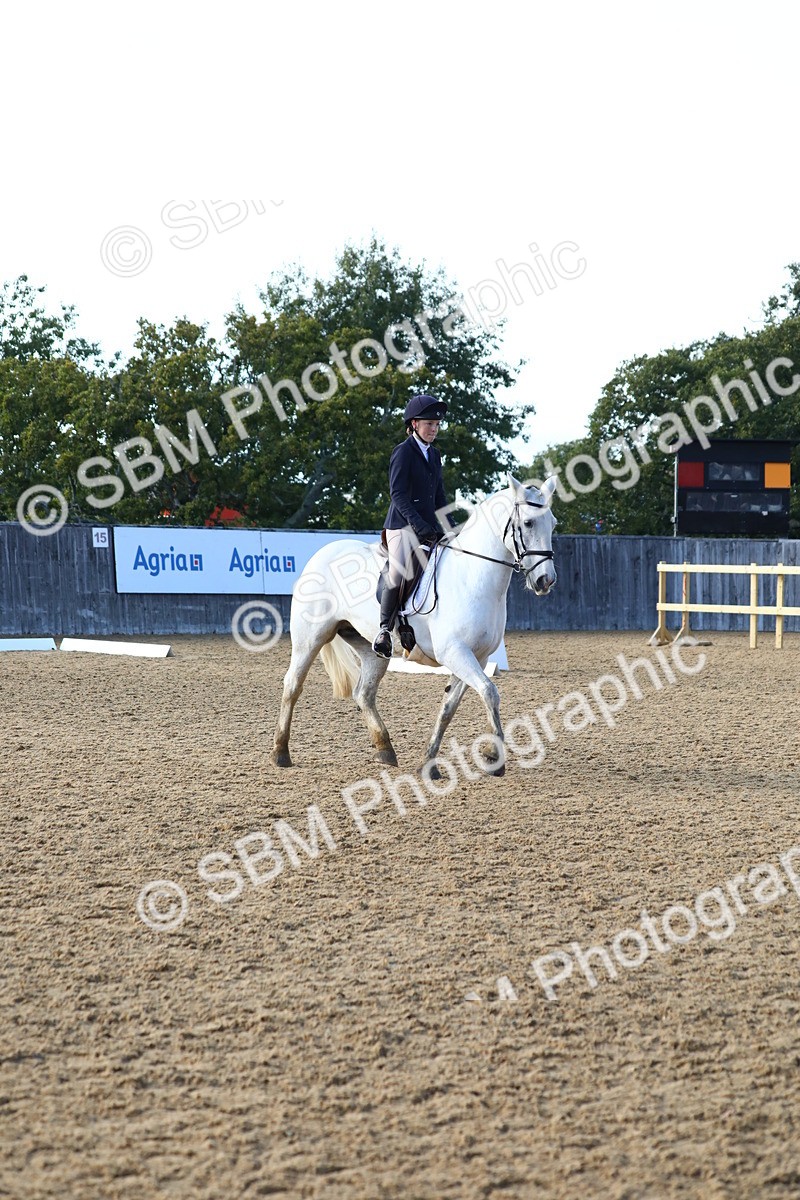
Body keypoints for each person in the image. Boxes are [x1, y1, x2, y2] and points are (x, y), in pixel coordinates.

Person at [372, 394, 451, 658]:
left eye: (437, 425)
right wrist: (418, 524)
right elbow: (398, 494)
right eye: (429, 424)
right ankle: (384, 630)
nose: (434, 429)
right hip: (401, 526)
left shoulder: (435, 454)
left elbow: (439, 496)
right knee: (398, 572)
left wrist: (450, 527)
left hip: (428, 527)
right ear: (414, 424)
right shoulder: (403, 451)